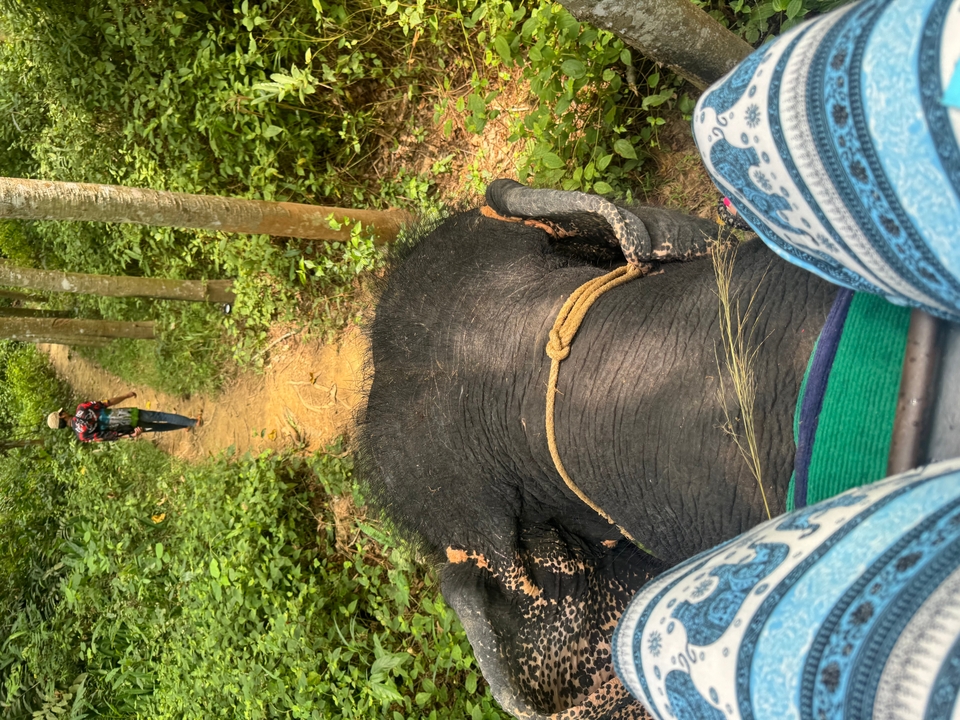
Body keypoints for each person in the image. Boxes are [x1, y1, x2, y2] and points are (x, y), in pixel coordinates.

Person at [46, 392, 201, 442]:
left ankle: (185, 424)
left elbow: (107, 436)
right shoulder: (82, 408)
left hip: (127, 428)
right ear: (62, 416)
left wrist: (131, 435)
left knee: (158, 427)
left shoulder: (81, 436)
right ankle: (193, 422)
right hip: (126, 415)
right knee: (158, 416)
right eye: (62, 412)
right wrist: (126, 396)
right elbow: (107, 403)